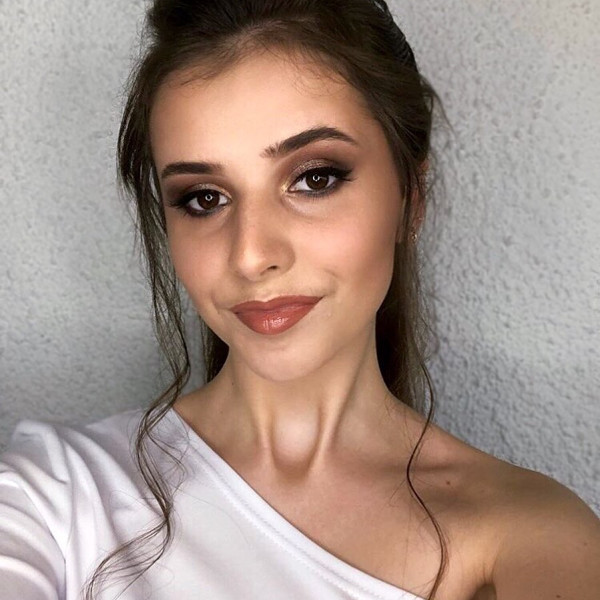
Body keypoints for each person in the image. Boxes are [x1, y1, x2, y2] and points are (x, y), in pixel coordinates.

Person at [1, 0, 599, 599]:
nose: (250, 255)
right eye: (204, 198)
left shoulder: (525, 534)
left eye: (314, 178)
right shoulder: (52, 497)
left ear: (410, 198)